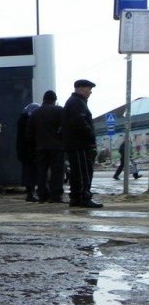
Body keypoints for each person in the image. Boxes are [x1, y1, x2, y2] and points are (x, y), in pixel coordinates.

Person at [62, 79, 102, 208]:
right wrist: (90, 137)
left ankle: (76, 198)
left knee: (77, 172)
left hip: (75, 144)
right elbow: (79, 122)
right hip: (80, 144)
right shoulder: (77, 103)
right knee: (83, 172)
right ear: (79, 88)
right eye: (88, 88)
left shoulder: (75, 102)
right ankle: (84, 197)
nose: (90, 92)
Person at [26, 90, 64, 203]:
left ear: (43, 99)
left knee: (41, 172)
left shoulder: (35, 113)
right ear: (54, 99)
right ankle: (56, 195)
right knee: (57, 172)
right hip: (57, 147)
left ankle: (42, 195)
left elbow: (29, 133)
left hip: (40, 147)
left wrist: (34, 144)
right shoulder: (60, 110)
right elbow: (66, 127)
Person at [16, 102, 40, 201]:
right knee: (31, 172)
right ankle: (31, 193)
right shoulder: (29, 122)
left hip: (23, 150)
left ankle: (30, 192)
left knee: (27, 172)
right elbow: (31, 137)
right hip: (30, 151)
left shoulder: (22, 120)